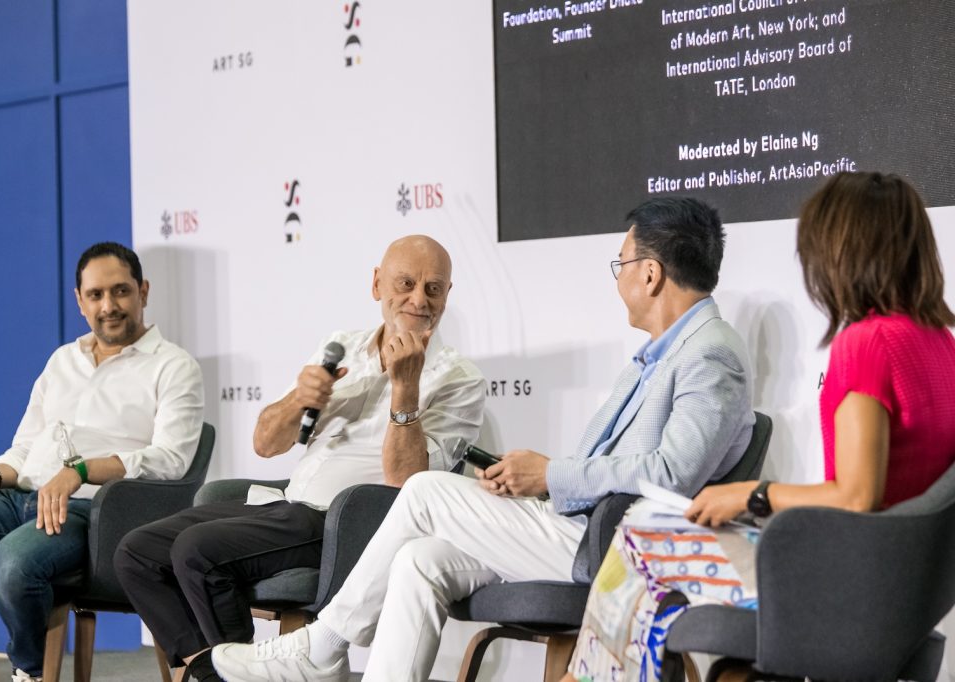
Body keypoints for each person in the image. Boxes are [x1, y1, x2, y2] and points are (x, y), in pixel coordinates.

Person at [210, 197, 756, 682]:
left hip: (617, 547)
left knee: (424, 490)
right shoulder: (662, 353)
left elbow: (671, 475)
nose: (618, 281)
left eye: (621, 264)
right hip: (578, 524)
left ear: (650, 274)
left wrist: (551, 475)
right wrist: (534, 481)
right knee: (419, 560)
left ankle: (323, 645)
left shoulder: (709, 354)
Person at [565, 171, 955, 681]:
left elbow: (858, 496)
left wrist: (752, 495)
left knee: (641, 532)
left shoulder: (867, 344)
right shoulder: (941, 345)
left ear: (840, 249)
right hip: (906, 592)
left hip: (847, 584)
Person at [114, 235, 486, 682]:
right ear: (376, 284)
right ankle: (214, 671)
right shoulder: (342, 346)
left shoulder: (459, 379)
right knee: (137, 552)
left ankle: (236, 672)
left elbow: (409, 483)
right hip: (288, 506)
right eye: (406, 283)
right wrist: (298, 400)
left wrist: (405, 387)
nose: (419, 299)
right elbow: (266, 443)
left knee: (198, 551)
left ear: (447, 294)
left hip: (350, 524)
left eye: (433, 288)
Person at [0, 242, 205, 682]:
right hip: (17, 500)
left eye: (120, 291)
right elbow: (24, 447)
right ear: (80, 301)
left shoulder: (173, 366)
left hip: (95, 514)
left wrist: (81, 471)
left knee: (14, 564)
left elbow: (171, 460)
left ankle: (30, 673)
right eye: (96, 295)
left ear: (143, 291)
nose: (108, 306)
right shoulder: (62, 360)